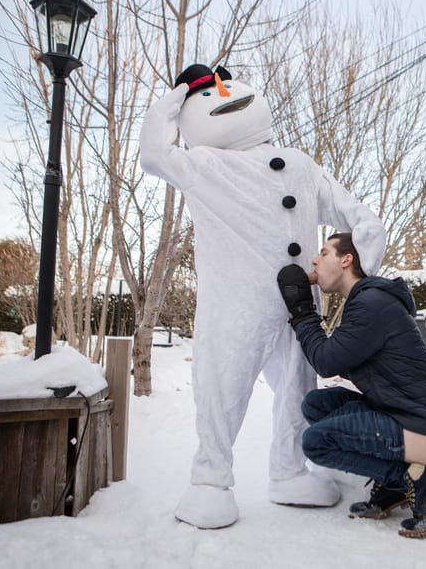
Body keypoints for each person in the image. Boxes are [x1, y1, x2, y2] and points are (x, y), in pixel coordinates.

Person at [140, 64, 386, 529]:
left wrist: (367, 254)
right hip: (237, 306)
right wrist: (178, 95)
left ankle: (289, 471)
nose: (224, 93)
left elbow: (349, 211)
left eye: (226, 85)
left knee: (297, 388)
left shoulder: (299, 163)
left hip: (298, 308)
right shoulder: (204, 165)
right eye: (208, 92)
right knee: (222, 388)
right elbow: (153, 155)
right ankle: (210, 481)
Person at [276, 232, 426, 538]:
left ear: (346, 260)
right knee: (316, 404)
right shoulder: (368, 300)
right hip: (404, 413)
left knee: (316, 442)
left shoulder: (371, 304)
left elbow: (326, 361)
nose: (315, 260)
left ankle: (416, 481)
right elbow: (347, 361)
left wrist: (302, 312)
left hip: (423, 429)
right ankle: (394, 487)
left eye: (324, 252)